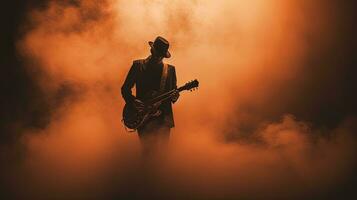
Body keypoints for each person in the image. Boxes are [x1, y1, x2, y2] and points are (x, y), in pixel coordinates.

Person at [121, 36, 179, 156]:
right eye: (157, 53)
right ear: (151, 50)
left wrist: (175, 96)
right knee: (148, 153)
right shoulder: (138, 66)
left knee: (163, 155)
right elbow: (125, 89)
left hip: (163, 118)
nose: (158, 57)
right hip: (144, 117)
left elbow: (174, 94)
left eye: (161, 55)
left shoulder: (170, 70)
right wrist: (133, 101)